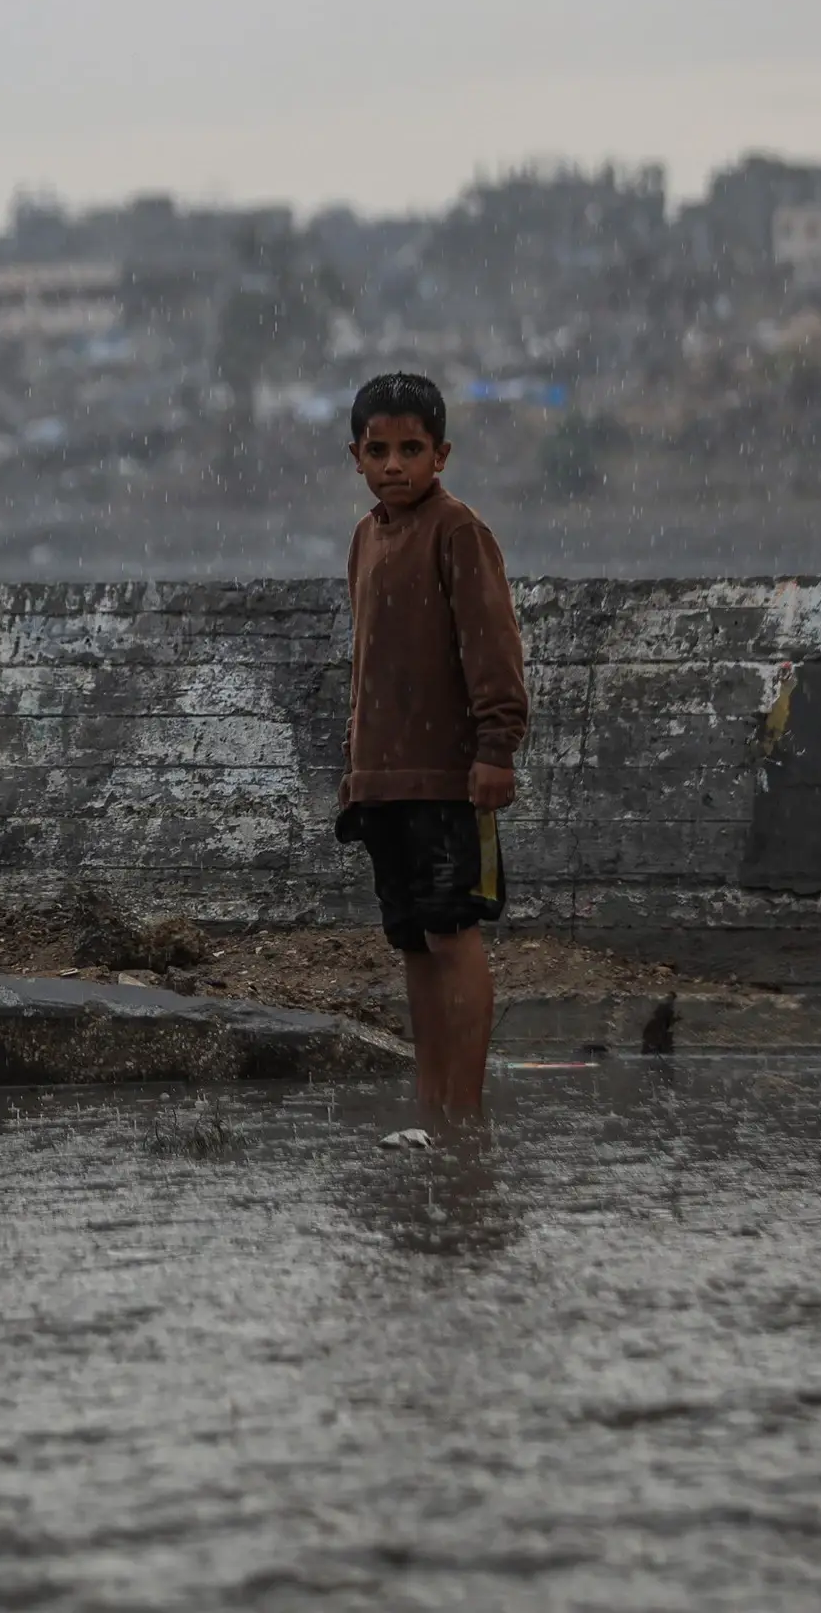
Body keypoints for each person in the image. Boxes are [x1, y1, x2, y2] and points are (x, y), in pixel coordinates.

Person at [334, 373, 527, 1118]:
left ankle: (466, 1110)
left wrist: (496, 747)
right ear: (355, 456)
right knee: (412, 940)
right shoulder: (365, 538)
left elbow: (491, 647)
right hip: (382, 779)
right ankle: (433, 1099)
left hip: (450, 778)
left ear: (440, 455)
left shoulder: (459, 532)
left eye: (410, 449)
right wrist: (356, 768)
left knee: (453, 933)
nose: (394, 465)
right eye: (378, 450)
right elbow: (366, 663)